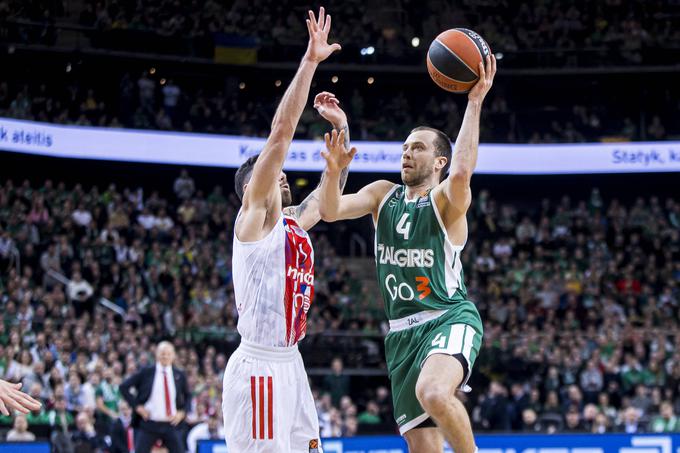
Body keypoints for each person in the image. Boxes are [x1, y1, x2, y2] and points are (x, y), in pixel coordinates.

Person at [318, 55, 497, 452]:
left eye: (417, 148)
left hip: (448, 316)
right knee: (423, 447)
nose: (407, 153)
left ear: (439, 161)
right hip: (400, 334)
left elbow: (464, 173)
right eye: (404, 147)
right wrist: (332, 173)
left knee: (434, 392)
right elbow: (329, 212)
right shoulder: (382, 194)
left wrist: (474, 101)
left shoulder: (445, 201)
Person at [221, 7, 345, 452]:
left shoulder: (291, 223)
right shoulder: (252, 222)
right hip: (258, 366)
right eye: (274, 172)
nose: (284, 174)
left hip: (291, 361)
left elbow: (325, 204)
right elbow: (281, 134)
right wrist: (310, 62)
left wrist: (343, 130)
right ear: (253, 187)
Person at [119, 341, 191, 453]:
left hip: (171, 424)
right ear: (157, 354)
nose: (165, 356)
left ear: (173, 356)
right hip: (149, 423)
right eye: (162, 353)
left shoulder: (179, 374)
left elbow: (188, 396)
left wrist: (182, 413)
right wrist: (137, 407)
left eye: (168, 353)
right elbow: (124, 387)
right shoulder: (146, 372)